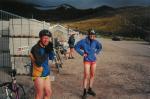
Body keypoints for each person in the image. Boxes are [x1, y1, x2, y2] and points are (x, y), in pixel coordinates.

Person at [75, 30, 102, 99]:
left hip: (93, 61)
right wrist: (82, 53)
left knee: (92, 75)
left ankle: (90, 89)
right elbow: (76, 47)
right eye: (91, 35)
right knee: (86, 75)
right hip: (87, 61)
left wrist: (97, 52)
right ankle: (84, 91)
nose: (92, 36)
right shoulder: (83, 41)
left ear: (95, 35)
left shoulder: (96, 42)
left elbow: (100, 47)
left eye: (93, 35)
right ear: (88, 35)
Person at [30, 29, 54, 99]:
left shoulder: (47, 46)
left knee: (48, 92)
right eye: (44, 38)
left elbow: (51, 58)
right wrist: (47, 51)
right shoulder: (35, 48)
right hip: (38, 73)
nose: (46, 40)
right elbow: (38, 63)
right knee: (40, 94)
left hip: (46, 72)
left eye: (48, 38)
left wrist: (51, 49)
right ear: (40, 38)